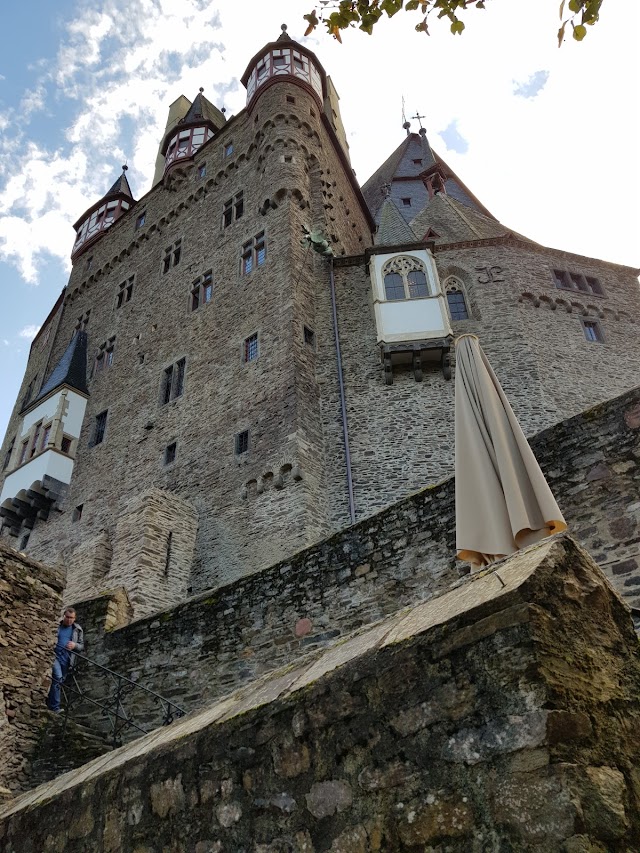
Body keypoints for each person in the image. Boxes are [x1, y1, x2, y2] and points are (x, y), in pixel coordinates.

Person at [46, 607, 84, 713]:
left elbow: (81, 647)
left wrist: (74, 645)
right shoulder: (56, 626)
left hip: (67, 660)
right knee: (57, 677)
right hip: (54, 656)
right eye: (67, 617)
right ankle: (55, 707)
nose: (69, 620)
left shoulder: (78, 630)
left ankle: (49, 703)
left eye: (71, 618)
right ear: (64, 616)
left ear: (74, 618)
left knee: (59, 681)